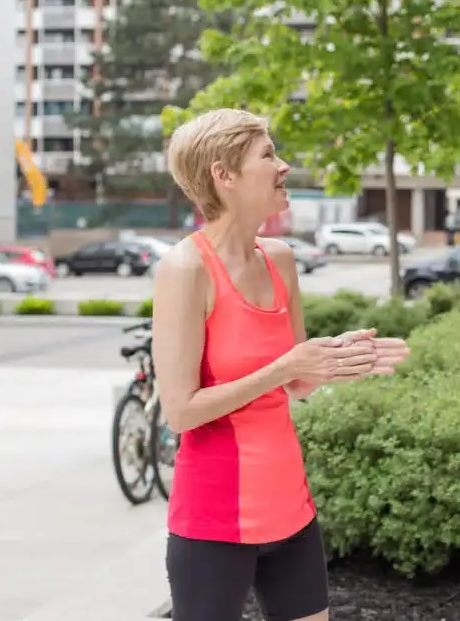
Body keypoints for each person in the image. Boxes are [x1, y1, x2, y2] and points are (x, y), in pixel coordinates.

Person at [151, 108, 411, 621]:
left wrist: (336, 361)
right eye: (268, 155)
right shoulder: (186, 268)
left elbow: (299, 384)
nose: (284, 166)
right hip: (214, 522)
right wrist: (282, 366)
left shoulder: (280, 258)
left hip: (291, 513)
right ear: (223, 176)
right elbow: (179, 412)